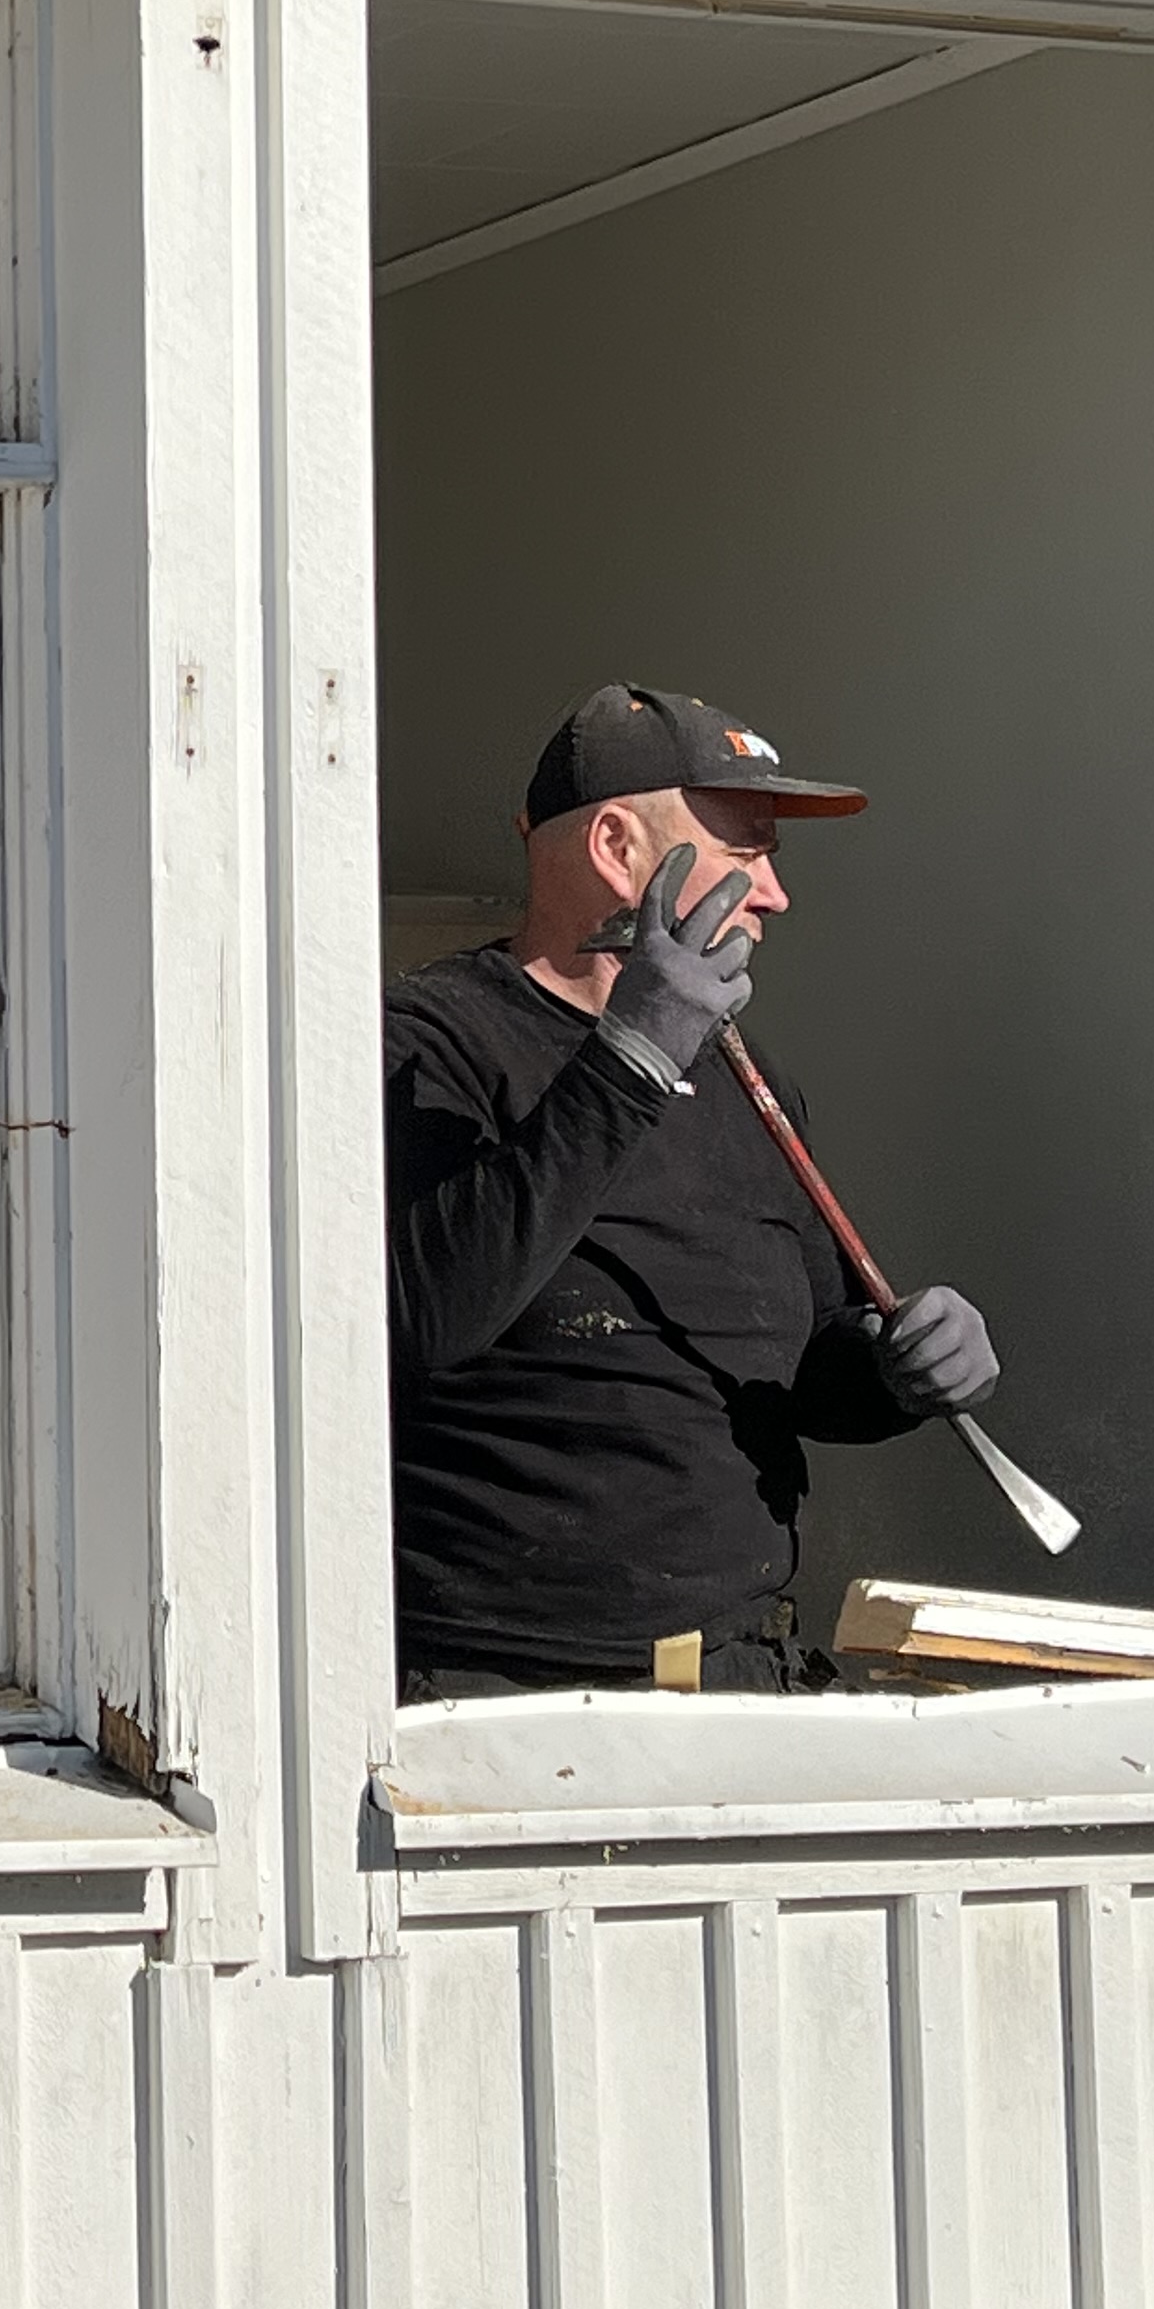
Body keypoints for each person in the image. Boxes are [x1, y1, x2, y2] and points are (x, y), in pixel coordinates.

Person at [385, 683, 1004, 1697]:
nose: (775, 895)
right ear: (617, 847)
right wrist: (629, 1061)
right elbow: (420, 1316)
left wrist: (893, 1370)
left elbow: (796, 1373)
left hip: (737, 1679)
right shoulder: (427, 1045)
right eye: (745, 851)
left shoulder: (745, 1074)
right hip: (511, 1696)